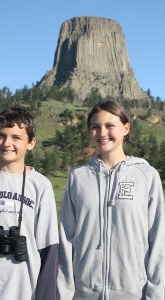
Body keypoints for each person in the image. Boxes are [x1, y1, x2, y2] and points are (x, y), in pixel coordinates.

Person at [57, 100, 165, 300]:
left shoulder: (146, 175)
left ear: (126, 128)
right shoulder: (78, 178)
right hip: (84, 293)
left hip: (135, 294)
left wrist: (156, 295)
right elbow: (66, 240)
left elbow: (158, 240)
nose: (102, 133)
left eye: (109, 126)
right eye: (95, 127)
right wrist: (64, 294)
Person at [0, 106, 59, 300]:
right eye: (1, 136)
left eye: (16, 137)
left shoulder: (40, 185)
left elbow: (48, 249)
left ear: (31, 143)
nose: (7, 143)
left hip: (25, 291)